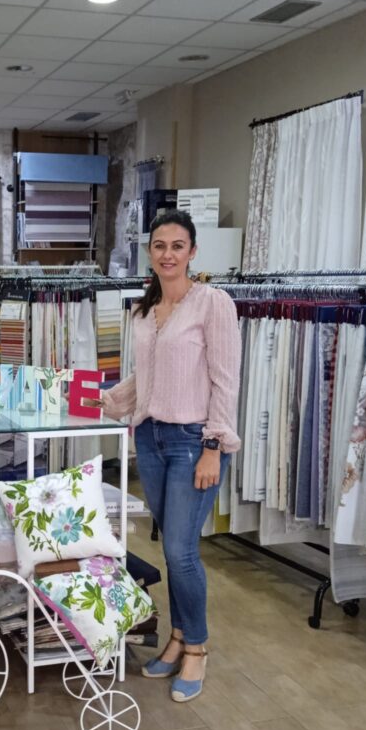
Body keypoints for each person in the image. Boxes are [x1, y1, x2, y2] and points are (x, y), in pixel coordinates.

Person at [102, 209, 241, 703]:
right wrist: (105, 401)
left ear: (192, 252)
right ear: (150, 253)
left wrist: (212, 446)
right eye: (159, 246)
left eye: (177, 246)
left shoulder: (213, 304)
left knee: (181, 551)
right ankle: (178, 637)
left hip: (193, 442)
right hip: (152, 440)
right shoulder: (144, 311)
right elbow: (150, 378)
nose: (167, 254)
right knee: (174, 550)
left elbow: (225, 380)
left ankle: (198, 647)